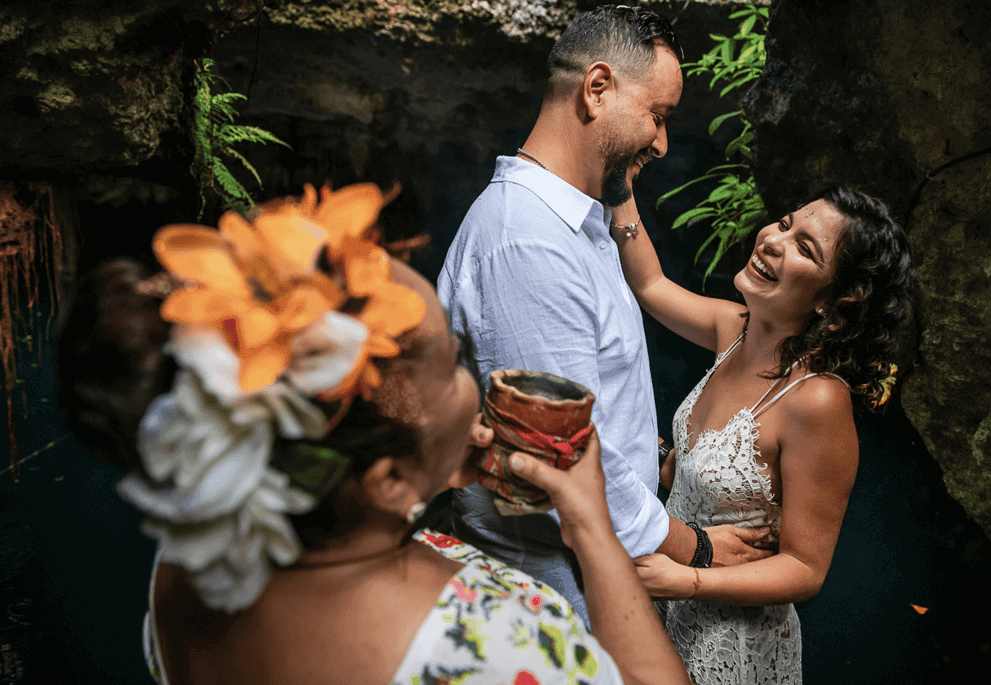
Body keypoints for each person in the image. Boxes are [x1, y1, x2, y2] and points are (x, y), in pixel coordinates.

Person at [56, 184, 694, 685]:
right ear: (387, 481)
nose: (476, 374)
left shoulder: (188, 564)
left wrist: (432, 465)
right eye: (454, 363)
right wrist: (590, 524)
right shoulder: (487, 645)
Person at [438, 3, 770, 625]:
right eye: (658, 116)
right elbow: (559, 459)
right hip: (552, 598)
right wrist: (694, 548)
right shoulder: (528, 242)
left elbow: (594, 397)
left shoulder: (578, 226)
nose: (665, 143)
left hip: (592, 578)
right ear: (597, 89)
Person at [607, 184, 916, 684]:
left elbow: (804, 568)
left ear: (835, 302)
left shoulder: (817, 400)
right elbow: (649, 284)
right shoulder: (733, 329)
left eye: (804, 248)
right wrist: (618, 183)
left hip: (730, 641)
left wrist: (687, 581)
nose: (773, 238)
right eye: (787, 222)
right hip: (661, 601)